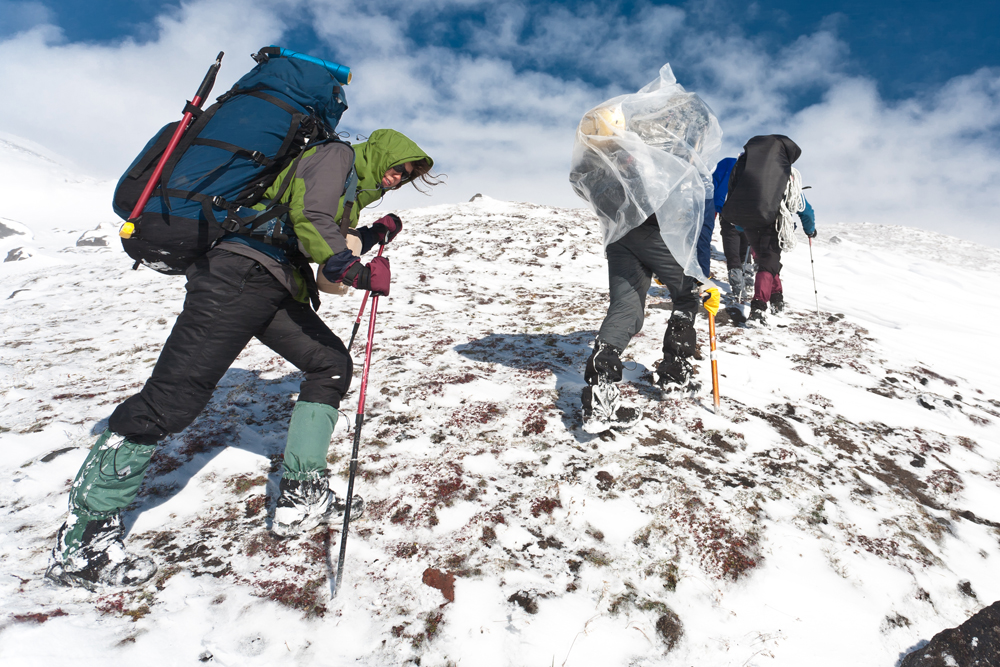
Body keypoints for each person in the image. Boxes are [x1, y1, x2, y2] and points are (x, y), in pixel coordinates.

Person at [47, 129, 439, 590]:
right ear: (382, 153)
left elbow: (315, 229)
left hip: (271, 283)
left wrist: (373, 233)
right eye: (398, 168)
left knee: (329, 363)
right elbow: (311, 216)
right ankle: (82, 544)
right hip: (237, 277)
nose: (397, 179)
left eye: (406, 177)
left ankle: (302, 492)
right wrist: (348, 267)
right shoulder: (336, 156)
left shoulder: (351, 185)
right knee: (169, 402)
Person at [582, 208, 708, 432]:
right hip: (655, 229)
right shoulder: (673, 172)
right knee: (686, 297)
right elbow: (697, 217)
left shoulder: (612, 172)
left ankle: (600, 400)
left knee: (625, 307)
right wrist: (701, 277)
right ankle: (674, 377)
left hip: (618, 231)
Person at [719, 135, 815, 327]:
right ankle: (759, 307)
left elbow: (735, 195)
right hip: (775, 225)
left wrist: (740, 224)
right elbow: (804, 207)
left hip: (750, 225)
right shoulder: (788, 175)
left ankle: (777, 297)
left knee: (767, 262)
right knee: (767, 264)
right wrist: (810, 229)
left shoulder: (745, 170)